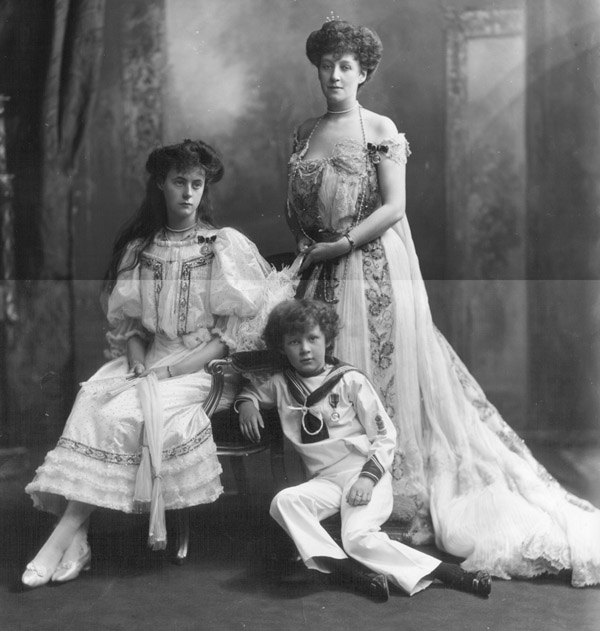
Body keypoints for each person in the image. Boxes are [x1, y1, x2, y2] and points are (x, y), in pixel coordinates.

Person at [285, 19, 600, 587]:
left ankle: (389, 505)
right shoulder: (304, 131)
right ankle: (339, 509)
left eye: (347, 66)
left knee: (373, 386)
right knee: (325, 390)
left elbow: (394, 207)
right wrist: (312, 249)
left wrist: (341, 244)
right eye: (326, 65)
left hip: (372, 269)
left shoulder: (379, 127)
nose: (335, 75)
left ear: (364, 73)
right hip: (319, 272)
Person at [22, 139, 294, 588]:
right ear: (160, 186)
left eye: (197, 184)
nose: (188, 193)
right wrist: (135, 363)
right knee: (93, 400)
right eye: (179, 182)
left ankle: (61, 539)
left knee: (125, 413)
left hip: (204, 371)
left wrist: (166, 372)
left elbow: (225, 341)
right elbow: (134, 331)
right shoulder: (140, 250)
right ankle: (78, 540)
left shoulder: (220, 246)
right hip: (147, 362)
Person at [236, 298, 492, 601]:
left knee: (356, 537)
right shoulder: (281, 384)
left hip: (362, 473)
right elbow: (252, 392)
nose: (304, 348)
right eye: (294, 341)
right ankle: (347, 571)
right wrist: (246, 405)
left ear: (327, 340)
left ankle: (449, 573)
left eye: (312, 338)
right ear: (282, 348)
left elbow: (385, 437)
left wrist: (367, 479)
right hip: (325, 482)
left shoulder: (350, 380)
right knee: (284, 501)